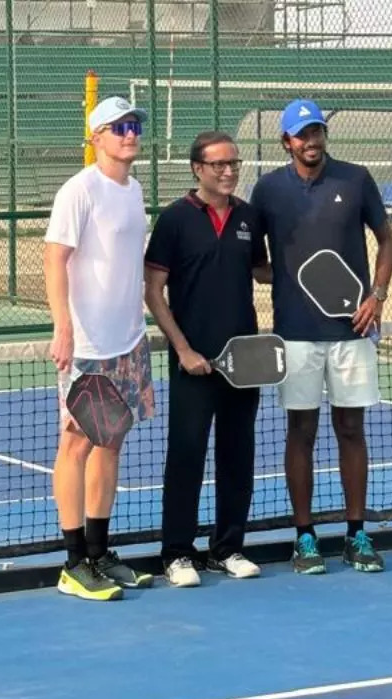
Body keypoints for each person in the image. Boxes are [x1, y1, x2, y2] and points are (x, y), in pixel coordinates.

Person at [250, 99, 392, 575]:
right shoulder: (268, 190)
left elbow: (387, 239)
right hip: (295, 334)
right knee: (301, 432)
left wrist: (376, 295)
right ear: (286, 142)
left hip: (352, 332)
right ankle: (305, 538)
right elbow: (255, 262)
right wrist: (290, 278)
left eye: (317, 132)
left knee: (351, 429)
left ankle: (357, 533)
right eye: (302, 135)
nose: (311, 141)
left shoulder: (355, 179)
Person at [144, 131, 271, 588]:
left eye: (233, 163)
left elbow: (263, 270)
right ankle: (177, 552)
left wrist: (313, 258)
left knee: (238, 456)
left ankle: (228, 547)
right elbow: (154, 291)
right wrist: (183, 348)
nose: (228, 170)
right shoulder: (176, 219)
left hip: (246, 361)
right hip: (194, 362)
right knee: (187, 456)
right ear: (197, 168)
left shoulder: (249, 217)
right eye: (218, 164)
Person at [43, 96, 157, 601]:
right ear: (96, 137)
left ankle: (98, 551)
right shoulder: (78, 191)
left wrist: (140, 335)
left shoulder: (133, 191)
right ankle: (72, 564)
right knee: (77, 445)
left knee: (111, 445)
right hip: (87, 346)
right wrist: (62, 327)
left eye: (134, 126)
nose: (130, 134)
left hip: (128, 344)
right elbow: (53, 260)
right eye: (119, 128)